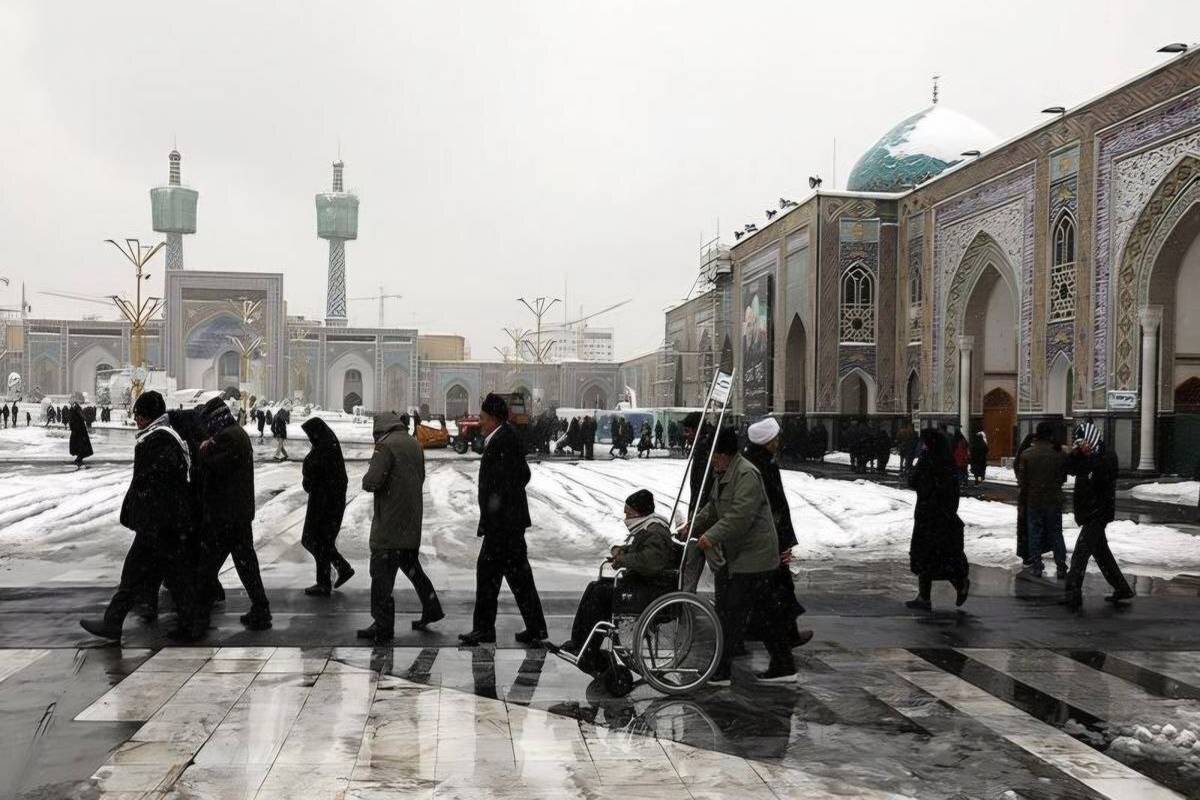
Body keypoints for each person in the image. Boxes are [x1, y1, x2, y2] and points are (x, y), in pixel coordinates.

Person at [79, 391, 202, 642]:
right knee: (164, 574)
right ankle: (188, 622)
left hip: (158, 524)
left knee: (143, 573)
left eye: (139, 415)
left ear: (149, 416)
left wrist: (147, 512)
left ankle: (116, 623)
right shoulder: (161, 437)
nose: (136, 419)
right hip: (163, 522)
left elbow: (159, 482)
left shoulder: (159, 440)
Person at [688, 428, 795, 683]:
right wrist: (692, 525)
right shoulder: (725, 472)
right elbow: (714, 506)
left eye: (715, 456)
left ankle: (722, 669)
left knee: (732, 612)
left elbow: (740, 516)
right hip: (742, 554)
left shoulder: (746, 474)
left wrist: (710, 536)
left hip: (755, 555)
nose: (712, 461)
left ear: (725, 454)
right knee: (764, 613)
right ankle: (784, 665)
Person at [555, 489, 675, 672]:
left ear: (639, 512)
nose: (626, 517)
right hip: (644, 584)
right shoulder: (648, 528)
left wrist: (623, 560)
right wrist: (622, 552)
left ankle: (587, 648)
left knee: (600, 594)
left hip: (650, 590)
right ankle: (579, 642)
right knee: (594, 586)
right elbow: (641, 553)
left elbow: (649, 562)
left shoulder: (655, 531)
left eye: (628, 513)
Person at [460, 393, 547, 646]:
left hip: (502, 527)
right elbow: (523, 474)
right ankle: (535, 628)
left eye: (483, 418)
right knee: (519, 578)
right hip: (507, 525)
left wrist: (501, 505)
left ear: (494, 419)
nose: (480, 422)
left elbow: (516, 476)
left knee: (489, 577)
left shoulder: (503, 440)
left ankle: (484, 629)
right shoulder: (505, 437)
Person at [356, 411, 442, 642]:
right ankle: (432, 607)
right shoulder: (414, 444)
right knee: (411, 566)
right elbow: (420, 476)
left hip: (389, 523)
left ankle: (383, 625)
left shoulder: (385, 446)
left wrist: (368, 476)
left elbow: (372, 481)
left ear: (379, 431)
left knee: (381, 576)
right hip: (410, 518)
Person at [196, 396, 272, 630]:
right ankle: (260, 609)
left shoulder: (228, 437)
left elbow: (214, 468)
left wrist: (203, 451)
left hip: (227, 514)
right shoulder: (235, 433)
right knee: (243, 564)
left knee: (208, 566)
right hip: (236, 512)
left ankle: (197, 619)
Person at [743, 418, 813, 652]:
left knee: (773, 588)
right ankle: (782, 641)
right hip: (770, 536)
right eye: (775, 438)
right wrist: (782, 539)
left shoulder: (757, 461)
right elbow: (774, 505)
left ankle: (777, 633)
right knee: (778, 589)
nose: (778, 442)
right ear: (767, 441)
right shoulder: (762, 466)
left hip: (768, 535)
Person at [1063, 422, 1133, 609]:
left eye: (1083, 442)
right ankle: (1122, 588)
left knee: (1081, 553)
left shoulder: (1106, 456)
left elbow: (1102, 479)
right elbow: (1068, 468)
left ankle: (1072, 592)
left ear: (1092, 438)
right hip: (1088, 512)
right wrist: (1075, 454)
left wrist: (1087, 460)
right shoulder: (1086, 456)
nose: (1081, 446)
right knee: (1101, 553)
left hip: (1098, 513)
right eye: (1078, 443)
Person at [906, 428, 969, 611]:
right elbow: (953, 491)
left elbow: (913, 481)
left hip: (927, 517)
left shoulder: (927, 460)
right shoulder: (948, 462)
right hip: (944, 517)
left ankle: (925, 597)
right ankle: (958, 583)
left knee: (925, 556)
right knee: (943, 556)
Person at [300, 417, 355, 597]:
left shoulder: (324, 449)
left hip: (324, 504)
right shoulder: (327, 445)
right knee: (320, 541)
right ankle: (340, 569)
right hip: (326, 502)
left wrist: (308, 471)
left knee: (315, 540)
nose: (310, 438)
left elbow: (312, 472)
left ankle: (325, 581)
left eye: (310, 434)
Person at [1018, 421, 1067, 579]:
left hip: (1034, 500)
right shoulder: (1059, 453)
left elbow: (1023, 481)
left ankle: (1037, 565)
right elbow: (1063, 477)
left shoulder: (1027, 454)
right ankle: (1061, 565)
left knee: (1034, 533)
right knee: (1056, 532)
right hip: (1054, 499)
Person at [1013, 431, 1037, 565]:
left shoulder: (1022, 454)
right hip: (1031, 494)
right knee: (1031, 526)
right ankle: (1030, 553)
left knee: (1025, 526)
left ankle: (1025, 553)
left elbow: (1018, 470)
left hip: (1025, 495)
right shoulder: (1028, 455)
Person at [68, 401, 92, 469]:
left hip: (78, 433)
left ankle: (79, 459)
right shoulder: (77, 413)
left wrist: (74, 429)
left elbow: (73, 423)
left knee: (80, 448)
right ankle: (79, 459)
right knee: (82, 448)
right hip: (80, 433)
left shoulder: (75, 413)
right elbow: (75, 423)